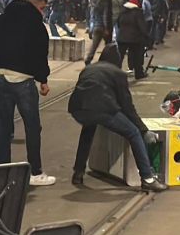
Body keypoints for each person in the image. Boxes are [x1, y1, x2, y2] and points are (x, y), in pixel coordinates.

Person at [0, 0, 55, 186]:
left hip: (1, 79)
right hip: (24, 81)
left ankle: (1, 171)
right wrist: (43, 80)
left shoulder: (0, 20)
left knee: (3, 128)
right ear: (34, 3)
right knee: (32, 127)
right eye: (42, 7)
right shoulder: (36, 24)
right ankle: (35, 172)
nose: (43, 12)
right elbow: (40, 53)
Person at [67, 45, 168, 192]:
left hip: (78, 109)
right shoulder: (117, 73)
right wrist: (143, 129)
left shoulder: (88, 69)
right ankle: (148, 178)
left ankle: (78, 172)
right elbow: (127, 106)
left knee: (88, 130)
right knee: (133, 133)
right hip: (102, 109)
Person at [117, 0, 151, 79]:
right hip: (135, 39)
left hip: (122, 38)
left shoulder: (122, 11)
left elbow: (118, 23)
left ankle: (115, 73)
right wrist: (147, 37)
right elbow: (142, 27)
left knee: (119, 57)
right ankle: (139, 74)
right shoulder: (138, 12)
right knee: (137, 57)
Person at [85, 0, 114, 65]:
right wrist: (106, 28)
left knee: (94, 46)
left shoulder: (97, 3)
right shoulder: (107, 3)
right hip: (103, 27)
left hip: (96, 26)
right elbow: (105, 16)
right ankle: (107, 60)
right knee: (108, 45)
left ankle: (88, 58)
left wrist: (91, 27)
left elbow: (92, 16)